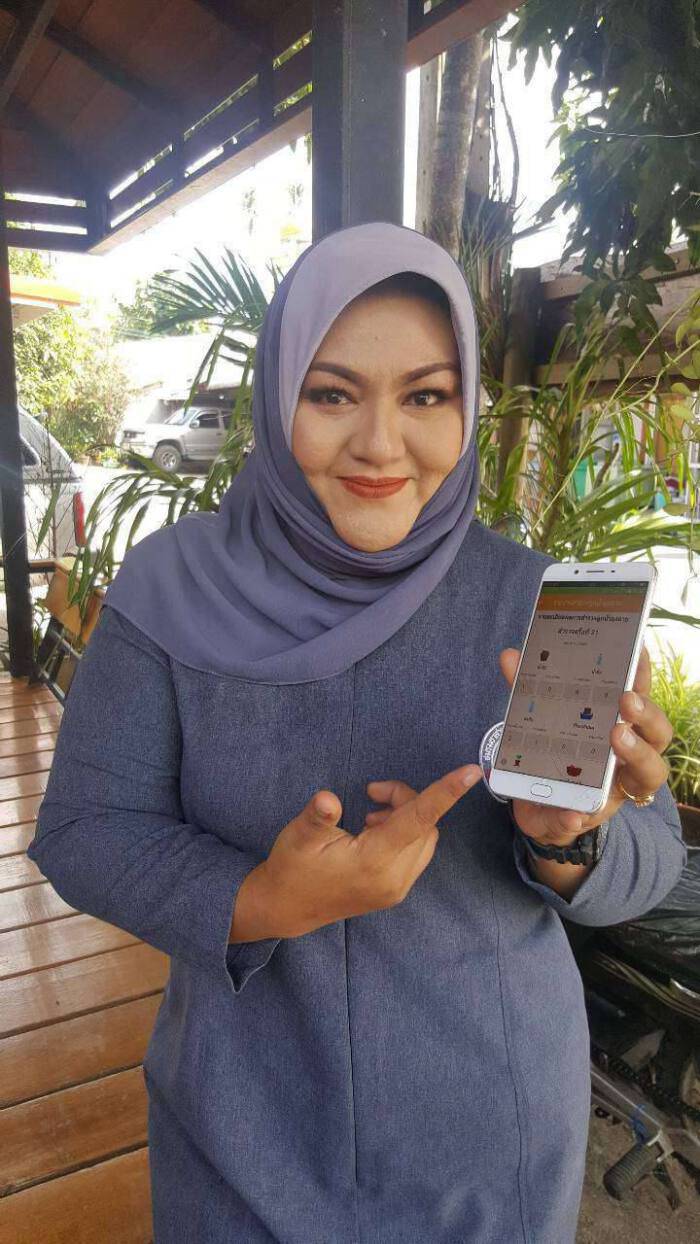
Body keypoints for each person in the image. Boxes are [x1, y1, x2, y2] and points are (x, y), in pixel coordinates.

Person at [27, 221, 686, 1244]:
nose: (380, 444)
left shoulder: (535, 598)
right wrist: (260, 899)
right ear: (276, 396)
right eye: (332, 394)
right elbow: (85, 828)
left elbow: (651, 856)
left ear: (466, 405)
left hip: (489, 1139)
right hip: (239, 1129)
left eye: (424, 396)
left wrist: (574, 837)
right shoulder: (172, 587)